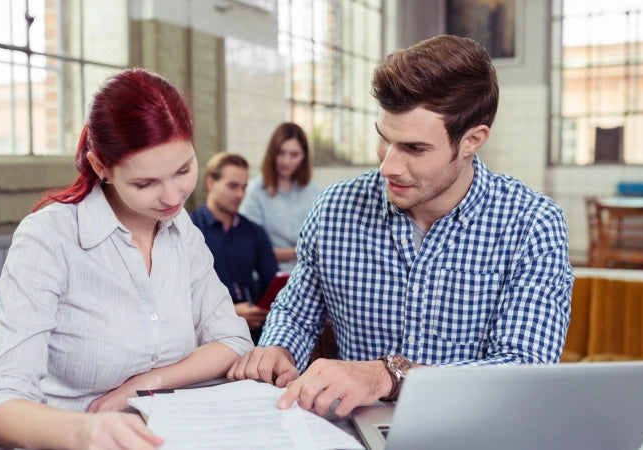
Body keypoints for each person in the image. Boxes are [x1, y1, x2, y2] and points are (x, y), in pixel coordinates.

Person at [227, 34, 574, 419]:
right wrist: (278, 349)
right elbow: (296, 314)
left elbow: (524, 369)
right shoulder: (335, 210)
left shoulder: (532, 223)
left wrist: (387, 376)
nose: (388, 166)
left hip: (473, 431)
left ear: (472, 140)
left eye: (414, 148)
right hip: (351, 433)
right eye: (384, 138)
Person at [0, 68, 253, 450]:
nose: (172, 196)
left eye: (183, 170)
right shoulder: (50, 236)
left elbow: (232, 339)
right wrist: (84, 431)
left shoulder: (180, 229)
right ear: (101, 167)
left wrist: (144, 384)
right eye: (145, 183)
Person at [190, 152, 280, 343]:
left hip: (254, 332)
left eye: (244, 187)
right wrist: (230, 312)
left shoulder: (254, 232)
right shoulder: (189, 231)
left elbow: (274, 284)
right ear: (210, 183)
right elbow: (180, 298)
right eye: (233, 186)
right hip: (204, 336)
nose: (240, 194)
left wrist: (263, 310)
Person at [239, 122, 321, 273]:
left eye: (294, 155)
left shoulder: (312, 190)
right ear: (272, 153)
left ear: (304, 157)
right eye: (281, 153)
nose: (286, 161)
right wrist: (302, 251)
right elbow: (253, 250)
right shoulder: (254, 192)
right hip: (271, 276)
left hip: (307, 274)